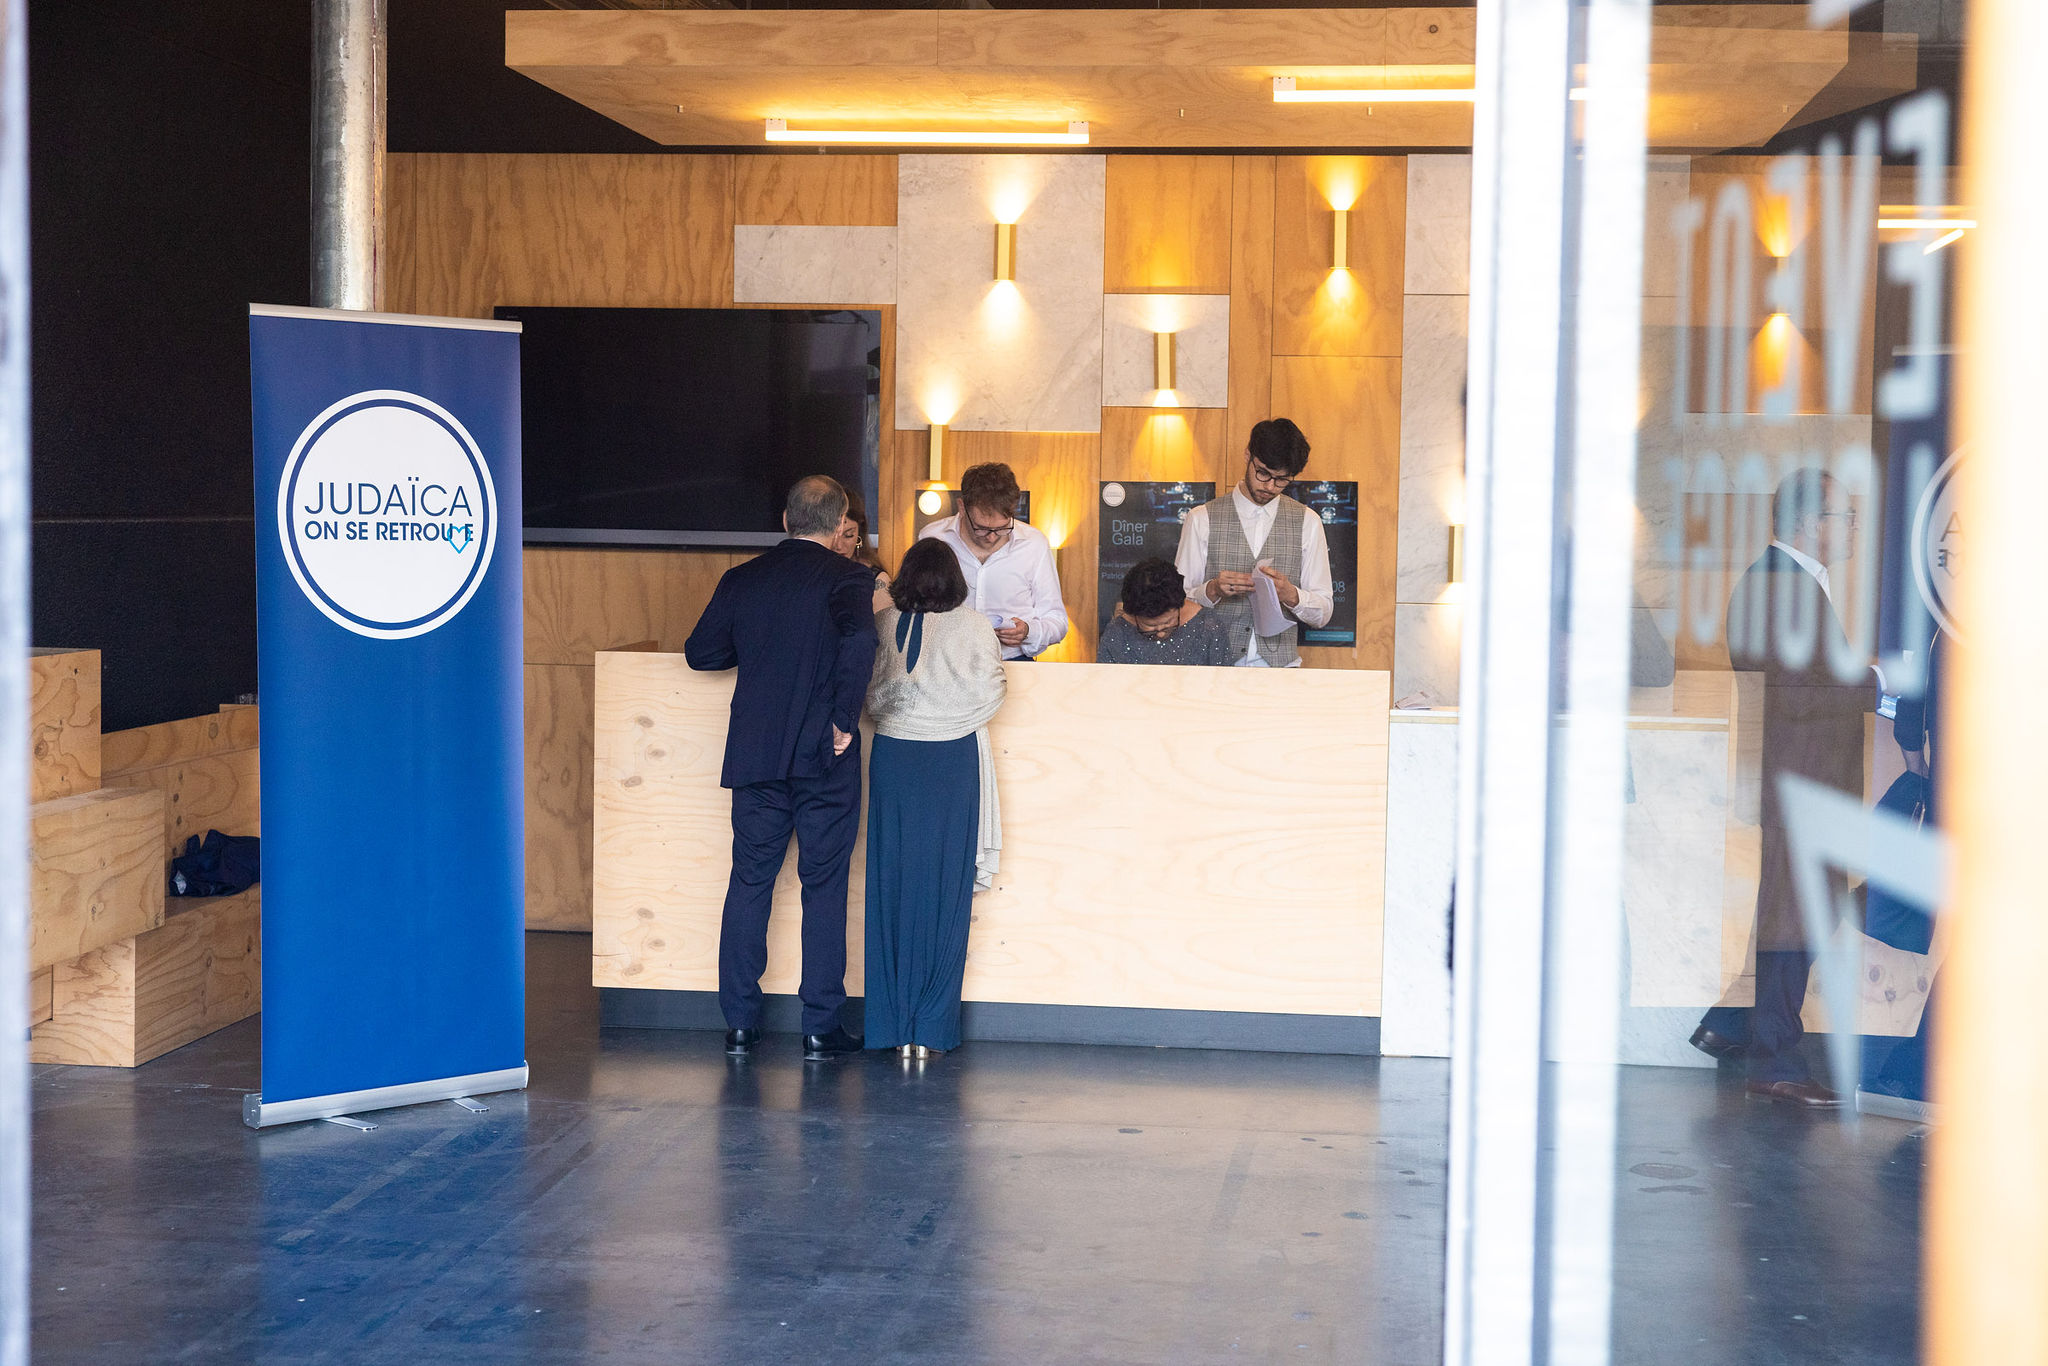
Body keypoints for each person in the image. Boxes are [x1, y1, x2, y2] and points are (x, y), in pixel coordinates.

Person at [1688, 468, 1872, 1107]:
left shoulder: (1785, 581)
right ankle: (1775, 1060)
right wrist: (1878, 683)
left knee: (1793, 910)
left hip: (1803, 781)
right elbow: (1799, 693)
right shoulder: (1778, 585)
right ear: (1809, 523)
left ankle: (1731, 1023)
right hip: (1802, 784)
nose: (1853, 528)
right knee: (1798, 916)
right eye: (1845, 517)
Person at [683, 475, 878, 1062]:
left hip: (757, 756)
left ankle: (740, 1024)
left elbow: (701, 652)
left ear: (786, 520)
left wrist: (758, 645)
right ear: (839, 523)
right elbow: (861, 642)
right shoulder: (849, 578)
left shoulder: (742, 579)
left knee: (749, 883)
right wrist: (844, 718)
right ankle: (821, 1027)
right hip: (824, 758)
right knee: (825, 888)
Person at [863, 538, 1007, 1059]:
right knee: (946, 889)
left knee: (891, 886)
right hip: (951, 761)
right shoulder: (974, 625)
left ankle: (891, 1026)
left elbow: (869, 693)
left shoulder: (883, 624)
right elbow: (995, 690)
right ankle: (931, 1030)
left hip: (894, 758)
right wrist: (950, 718)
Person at [1173, 418, 1335, 667]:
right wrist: (1212, 590)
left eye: (1282, 480)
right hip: (1212, 668)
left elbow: (1323, 612)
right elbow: (1176, 604)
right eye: (1263, 473)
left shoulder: (1308, 522)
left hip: (1280, 671)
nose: (1270, 486)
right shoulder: (1201, 518)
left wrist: (1291, 595)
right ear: (1248, 455)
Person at [919, 462, 1068, 661]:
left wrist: (1028, 631)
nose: (991, 537)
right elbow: (914, 608)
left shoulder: (1034, 543)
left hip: (1012, 661)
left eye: (1002, 528)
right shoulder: (933, 538)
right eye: (981, 528)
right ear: (962, 507)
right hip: (946, 661)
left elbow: (1057, 620)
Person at [1096, 557, 1232, 666]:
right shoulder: (1118, 631)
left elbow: (1223, 683)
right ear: (1133, 615)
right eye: (1150, 627)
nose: (1160, 633)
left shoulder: (1208, 626)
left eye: (1168, 623)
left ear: (1180, 604)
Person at [836, 488, 892, 614]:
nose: (839, 545)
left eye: (848, 535)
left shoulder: (877, 579)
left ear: (859, 533)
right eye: (834, 536)